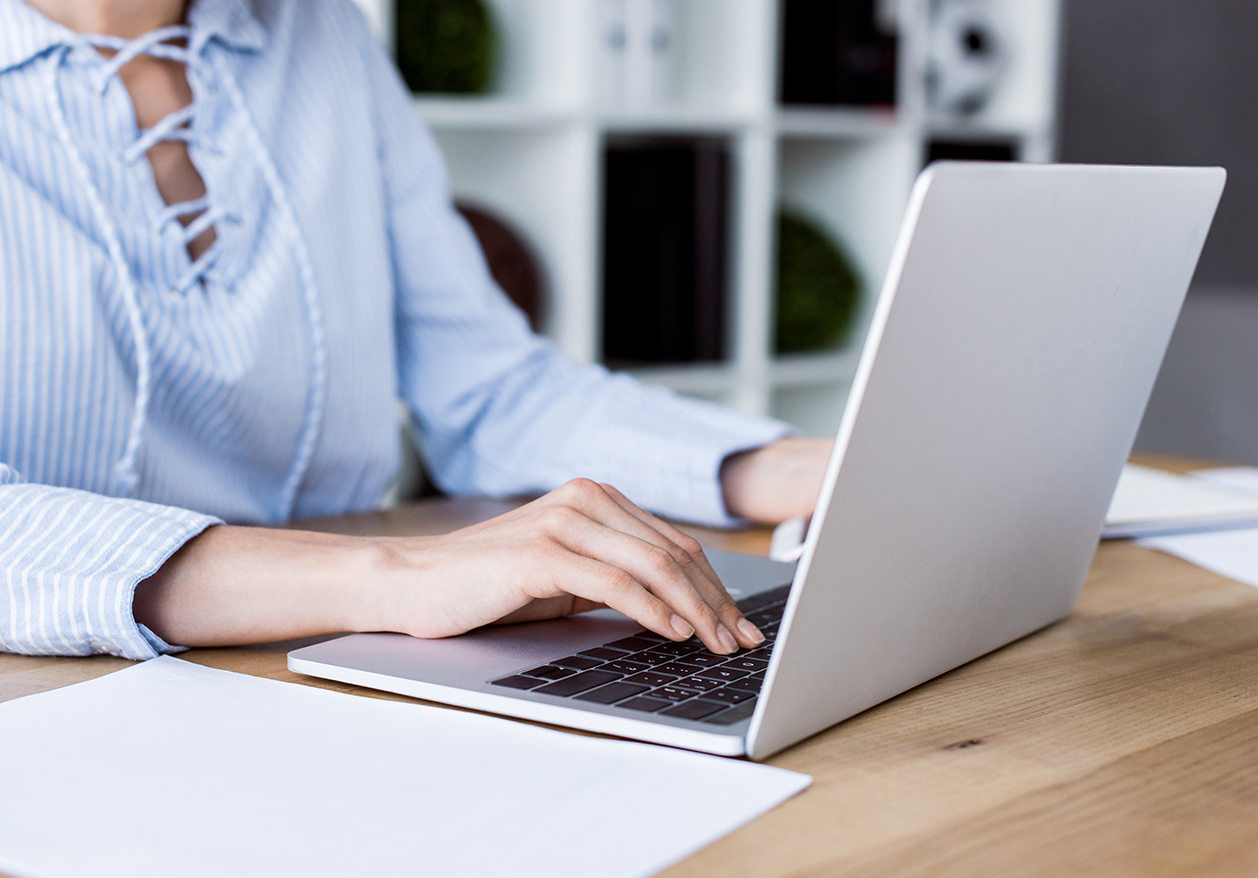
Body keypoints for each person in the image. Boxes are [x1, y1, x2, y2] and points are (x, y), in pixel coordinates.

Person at [0, 0, 831, 662]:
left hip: (333, 658)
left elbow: (490, 391)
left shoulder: (324, 34)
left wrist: (785, 467)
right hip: (59, 691)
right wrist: (398, 575)